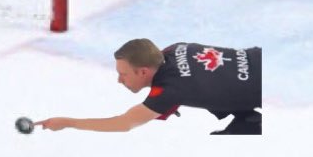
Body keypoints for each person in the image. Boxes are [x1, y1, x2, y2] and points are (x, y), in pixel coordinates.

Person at [37, 39, 262, 135]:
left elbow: (124, 123)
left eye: (123, 74)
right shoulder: (176, 48)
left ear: (143, 72)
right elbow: (195, 75)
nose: (120, 80)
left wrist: (68, 122)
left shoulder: (169, 90)